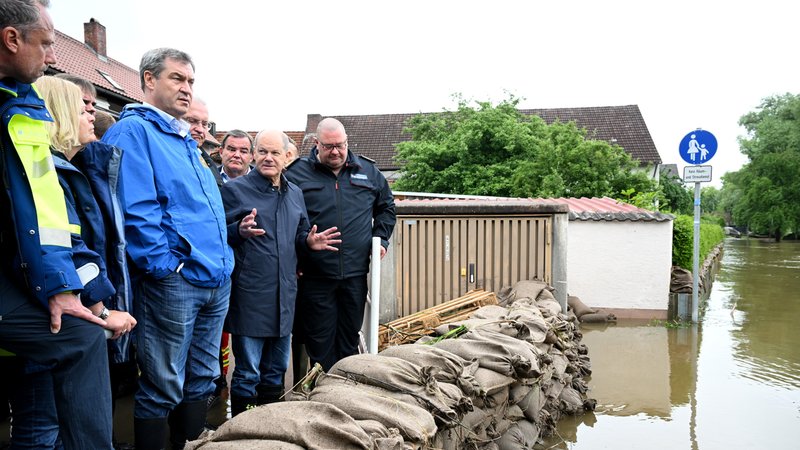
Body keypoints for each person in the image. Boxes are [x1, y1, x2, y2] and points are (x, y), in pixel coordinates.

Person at [103, 47, 234, 450]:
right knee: (162, 383)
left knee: (201, 376)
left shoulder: (183, 139)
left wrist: (224, 262)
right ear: (148, 80)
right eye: (177, 78)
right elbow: (136, 210)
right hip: (174, 282)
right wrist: (166, 268)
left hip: (214, 278)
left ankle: (191, 444)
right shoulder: (134, 132)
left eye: (191, 81)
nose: (186, 89)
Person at [0, 1, 114, 448]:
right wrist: (70, 294)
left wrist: (67, 290)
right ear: (12, 39)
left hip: (26, 276)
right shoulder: (22, 116)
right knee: (80, 341)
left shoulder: (20, 108)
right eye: (46, 44)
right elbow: (44, 218)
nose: (52, 57)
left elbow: (46, 222)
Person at [220, 129, 340, 416]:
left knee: (276, 371)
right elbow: (215, 235)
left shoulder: (295, 193)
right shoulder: (235, 191)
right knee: (248, 372)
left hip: (284, 296)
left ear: (287, 157)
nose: (268, 158)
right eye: (262, 151)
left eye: (275, 153)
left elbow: (299, 233)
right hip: (250, 294)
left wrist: (309, 242)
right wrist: (237, 230)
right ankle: (243, 426)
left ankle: (271, 427)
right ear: (253, 155)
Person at [285, 117, 396, 371]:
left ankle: (347, 391)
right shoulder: (296, 174)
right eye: (328, 146)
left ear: (347, 142)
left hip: (354, 275)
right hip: (315, 276)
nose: (335, 151)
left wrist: (381, 240)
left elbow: (386, 208)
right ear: (316, 144)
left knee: (349, 339)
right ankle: (322, 394)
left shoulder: (368, 171)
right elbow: (284, 220)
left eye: (340, 145)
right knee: (320, 342)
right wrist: (303, 244)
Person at [184, 97, 222, 187]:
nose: (200, 130)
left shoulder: (208, 161)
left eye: (204, 124)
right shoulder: (164, 157)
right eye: (192, 121)